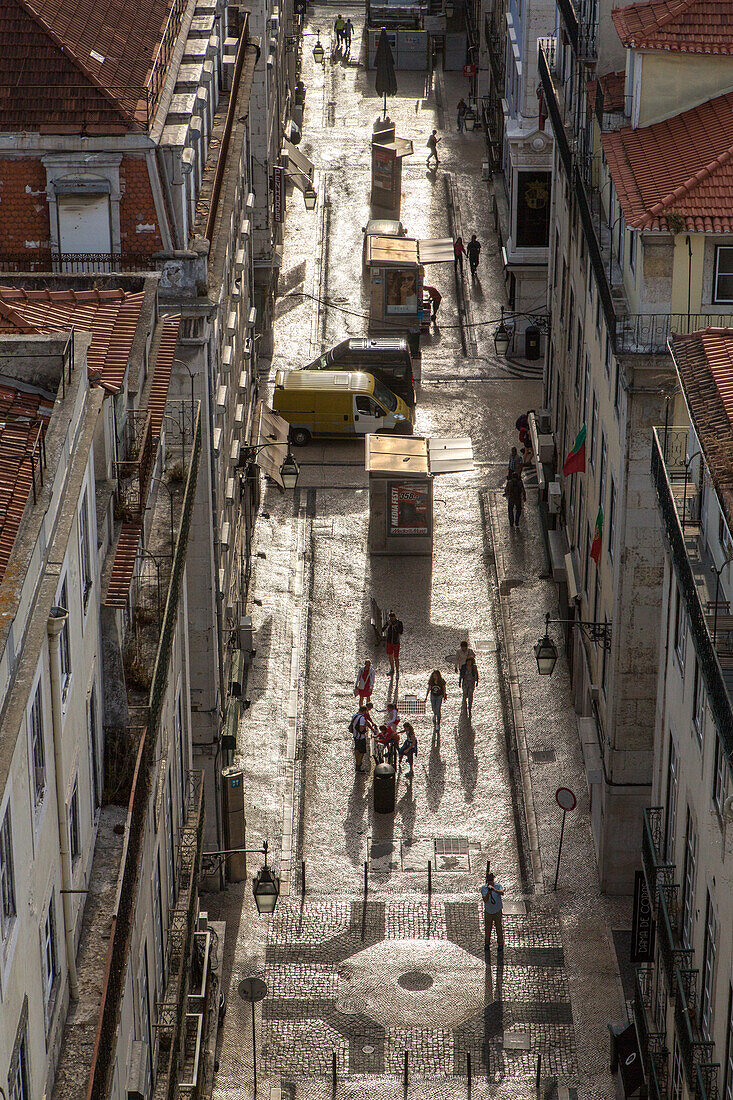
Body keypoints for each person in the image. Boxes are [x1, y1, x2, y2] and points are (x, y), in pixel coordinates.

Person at [480, 871, 505, 951]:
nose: (491, 881)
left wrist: (494, 890)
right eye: (489, 880)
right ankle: (487, 943)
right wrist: (488, 892)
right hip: (488, 911)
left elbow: (502, 893)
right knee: (488, 928)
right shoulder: (484, 888)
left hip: (497, 910)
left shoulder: (498, 886)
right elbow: (485, 899)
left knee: (498, 927)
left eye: (492, 880)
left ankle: (500, 943)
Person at [350, 704, 375, 772]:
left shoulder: (354, 715)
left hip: (355, 735)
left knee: (356, 749)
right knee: (362, 752)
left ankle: (357, 763)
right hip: (361, 737)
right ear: (364, 711)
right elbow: (361, 729)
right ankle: (358, 765)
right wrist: (365, 725)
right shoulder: (362, 718)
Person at [383, 609, 403, 675]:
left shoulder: (399, 623)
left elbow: (400, 632)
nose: (392, 618)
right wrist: (387, 625)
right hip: (389, 642)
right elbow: (383, 629)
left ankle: (397, 670)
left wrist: (394, 626)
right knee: (390, 656)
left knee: (396, 657)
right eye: (391, 617)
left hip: (396, 642)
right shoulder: (388, 622)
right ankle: (392, 669)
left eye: (393, 617)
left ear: (395, 617)